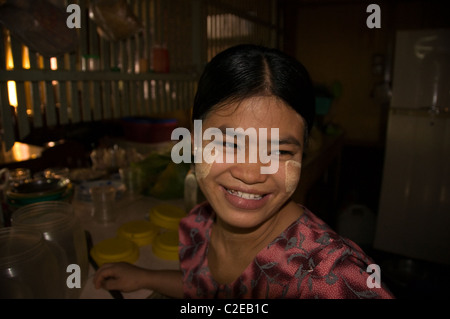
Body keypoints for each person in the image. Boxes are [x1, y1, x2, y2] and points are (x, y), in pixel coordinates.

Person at [93, 44, 395, 299]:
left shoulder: (332, 278)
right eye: (227, 144)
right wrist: (146, 278)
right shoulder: (200, 224)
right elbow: (210, 288)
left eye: (279, 151)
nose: (251, 174)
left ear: (303, 154)